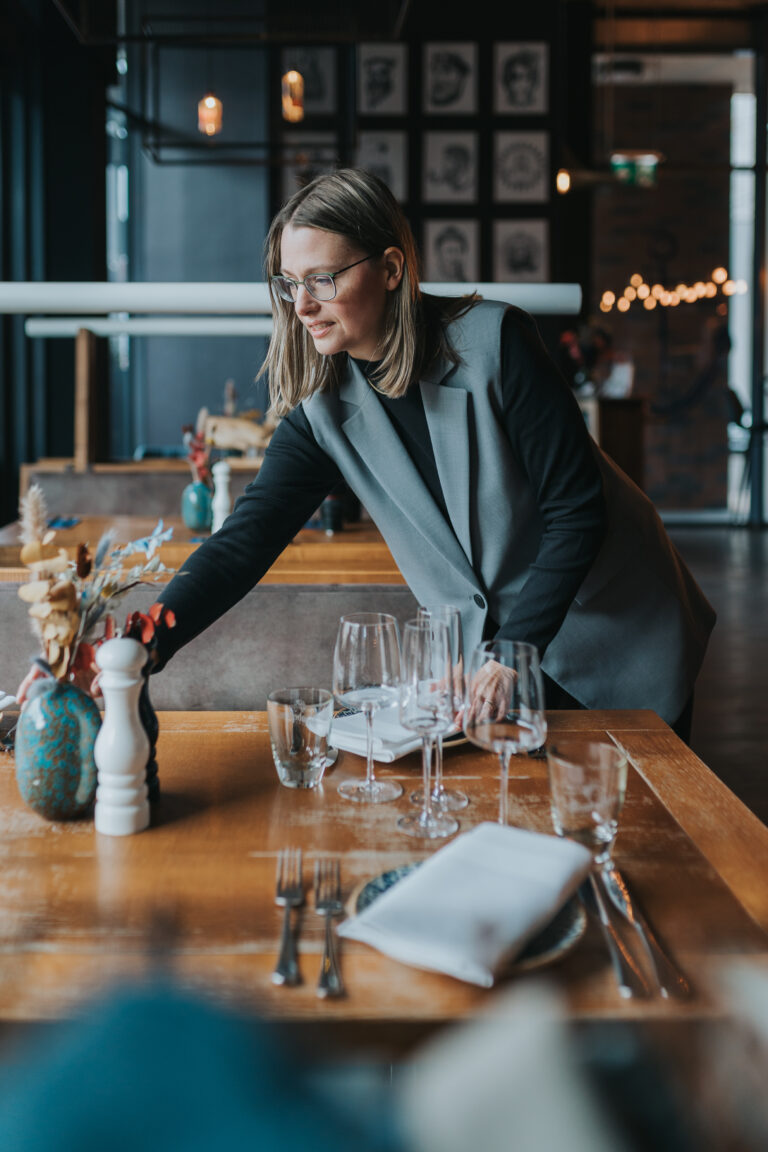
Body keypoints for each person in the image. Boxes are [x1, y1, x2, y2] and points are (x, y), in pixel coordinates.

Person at [151, 168, 713, 741]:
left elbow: (577, 509)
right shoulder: (322, 413)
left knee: (630, 822)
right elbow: (239, 547)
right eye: (289, 283)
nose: (301, 306)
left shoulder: (497, 344)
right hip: (496, 664)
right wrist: (145, 643)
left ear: (391, 268)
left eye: (322, 279)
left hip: (613, 626)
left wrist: (506, 654)